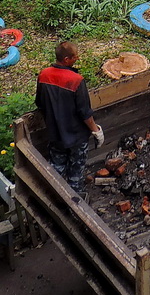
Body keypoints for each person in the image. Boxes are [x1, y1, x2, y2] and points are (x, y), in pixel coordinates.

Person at [35, 41, 104, 192]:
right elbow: (85, 112)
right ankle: (74, 204)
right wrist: (96, 131)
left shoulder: (44, 75)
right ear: (66, 59)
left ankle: (53, 197)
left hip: (55, 135)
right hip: (76, 137)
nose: (77, 58)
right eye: (75, 56)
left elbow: (39, 103)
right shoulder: (76, 81)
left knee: (56, 170)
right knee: (75, 175)